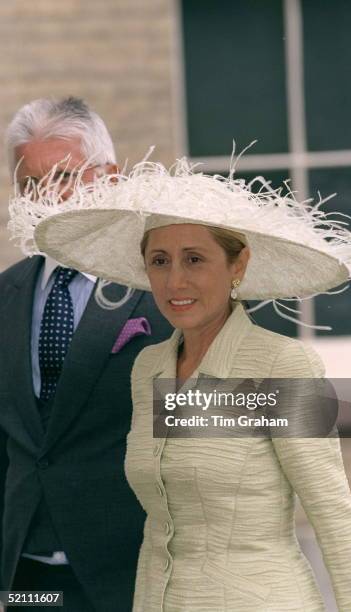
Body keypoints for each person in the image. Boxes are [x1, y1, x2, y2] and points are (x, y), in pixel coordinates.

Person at [27, 158, 351, 611]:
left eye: (195, 259)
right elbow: (162, 521)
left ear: (237, 263)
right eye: (159, 261)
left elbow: (334, 515)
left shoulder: (282, 364)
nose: (175, 281)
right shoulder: (150, 368)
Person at [0, 98, 172, 612]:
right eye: (29, 184)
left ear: (112, 178)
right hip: (30, 582)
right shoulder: (6, 295)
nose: (47, 196)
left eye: (64, 176)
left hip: (133, 576)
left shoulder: (166, 291)